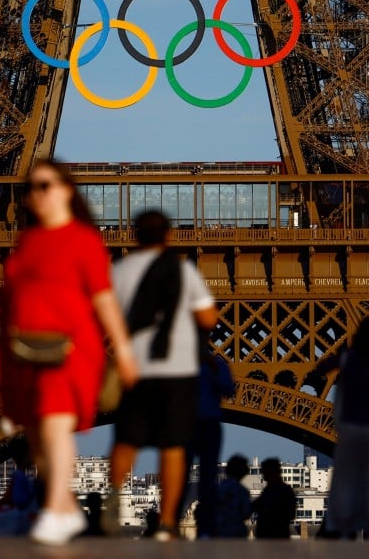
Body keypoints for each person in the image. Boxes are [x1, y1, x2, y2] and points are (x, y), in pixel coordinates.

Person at [0, 159, 137, 546]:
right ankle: (68, 508)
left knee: (56, 423)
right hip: (25, 347)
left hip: (71, 348)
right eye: (31, 188)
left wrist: (123, 349)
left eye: (45, 186)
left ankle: (57, 508)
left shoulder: (83, 240)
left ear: (66, 190)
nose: (36, 195)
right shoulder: (26, 241)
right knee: (38, 434)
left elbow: (104, 298)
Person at [107, 210, 218, 541]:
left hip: (135, 366)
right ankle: (168, 522)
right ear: (169, 235)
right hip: (177, 369)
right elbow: (209, 317)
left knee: (127, 438)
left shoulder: (120, 270)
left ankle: (114, 497)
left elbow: (105, 313)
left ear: (134, 234)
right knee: (173, 446)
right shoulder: (183, 271)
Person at [317, 316, 369, 538]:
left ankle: (344, 528)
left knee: (346, 479)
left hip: (350, 427)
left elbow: (322, 367)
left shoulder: (349, 358)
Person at [183, 351, 235, 538]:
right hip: (208, 422)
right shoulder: (217, 363)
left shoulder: (181, 361)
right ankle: (206, 527)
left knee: (182, 476)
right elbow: (229, 389)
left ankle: (171, 523)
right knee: (208, 478)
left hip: (188, 423)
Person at [252, 458, 296, 539]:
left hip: (273, 537)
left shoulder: (274, 491)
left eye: (264, 471)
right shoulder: (283, 490)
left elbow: (254, 507)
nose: (263, 474)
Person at [214, 454, 251, 538]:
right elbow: (246, 513)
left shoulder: (218, 489)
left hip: (219, 530)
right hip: (237, 532)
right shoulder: (242, 491)